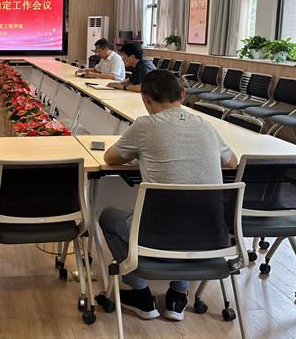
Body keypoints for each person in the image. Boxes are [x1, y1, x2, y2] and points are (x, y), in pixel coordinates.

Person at [98, 70, 238, 322]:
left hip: (157, 236)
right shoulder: (206, 126)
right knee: (191, 213)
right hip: (210, 237)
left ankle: (141, 294)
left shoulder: (145, 126)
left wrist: (140, 154)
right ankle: (177, 296)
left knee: (107, 217)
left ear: (145, 98)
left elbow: (109, 158)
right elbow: (232, 163)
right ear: (182, 94)